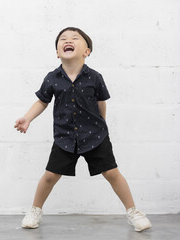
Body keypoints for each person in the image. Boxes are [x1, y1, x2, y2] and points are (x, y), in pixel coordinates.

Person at [14, 27, 152, 232]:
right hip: (65, 137)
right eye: (63, 39)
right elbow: (42, 102)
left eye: (74, 38)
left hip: (95, 136)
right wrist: (27, 118)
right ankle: (35, 210)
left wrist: (102, 124)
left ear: (87, 51)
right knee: (50, 176)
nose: (67, 40)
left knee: (112, 173)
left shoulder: (95, 77)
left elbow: (101, 103)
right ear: (57, 52)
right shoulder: (52, 78)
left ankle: (133, 211)